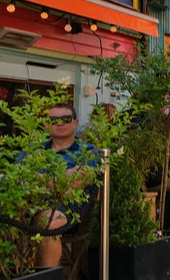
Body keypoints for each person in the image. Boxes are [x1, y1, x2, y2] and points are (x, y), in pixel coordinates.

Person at [34, 103, 99, 268]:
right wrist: (63, 180)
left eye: (66, 119)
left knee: (49, 225)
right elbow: (19, 178)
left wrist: (40, 179)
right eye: (53, 119)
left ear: (75, 122)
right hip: (28, 205)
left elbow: (78, 181)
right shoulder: (34, 149)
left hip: (68, 209)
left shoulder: (88, 151)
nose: (60, 123)